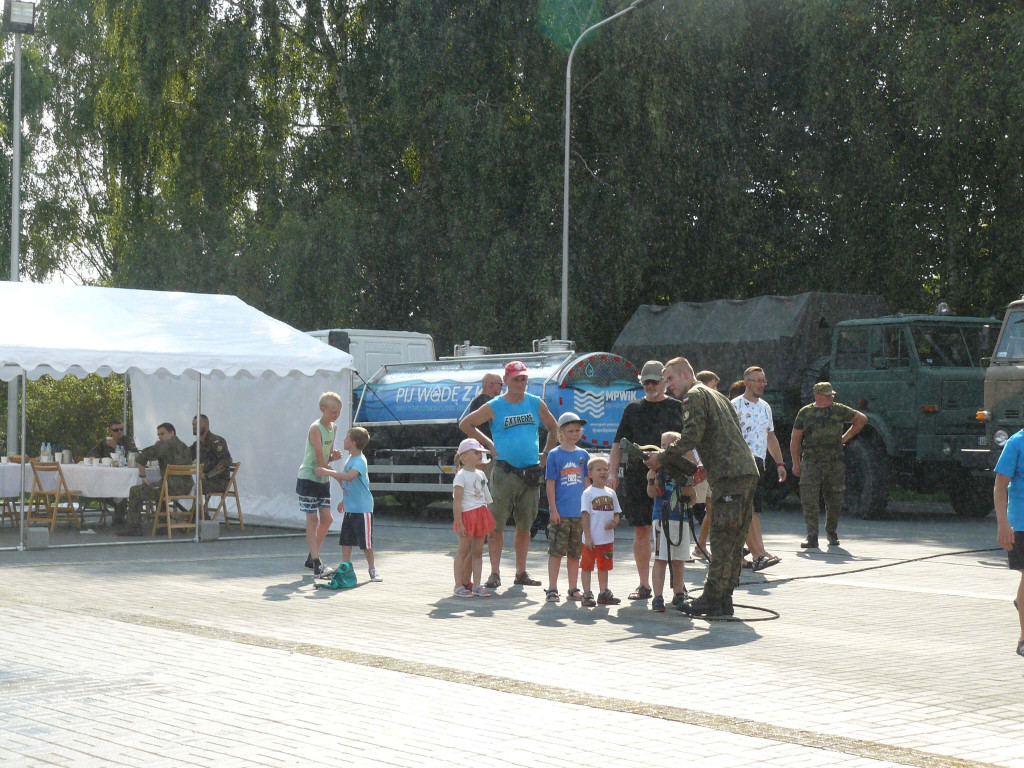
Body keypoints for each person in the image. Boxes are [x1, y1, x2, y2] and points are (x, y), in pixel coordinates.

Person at [645, 357, 759, 617]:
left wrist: (661, 457)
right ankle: (723, 598)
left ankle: (711, 598)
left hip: (730, 475)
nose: (668, 385)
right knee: (734, 537)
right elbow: (729, 434)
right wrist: (706, 466)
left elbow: (691, 437)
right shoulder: (716, 395)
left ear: (686, 374)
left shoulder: (694, 396)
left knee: (721, 538)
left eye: (671, 379)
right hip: (743, 471)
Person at [460, 360, 558, 590]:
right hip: (504, 472)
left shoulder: (535, 403)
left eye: (524, 379)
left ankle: (521, 572)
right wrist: (488, 444)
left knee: (525, 525)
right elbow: (466, 424)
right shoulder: (495, 405)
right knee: (496, 525)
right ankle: (495, 573)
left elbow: (554, 427)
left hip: (530, 473)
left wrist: (546, 454)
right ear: (506, 381)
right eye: (516, 379)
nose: (521, 383)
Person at [608, 360, 684, 602]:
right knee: (641, 529)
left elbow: (689, 442)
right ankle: (644, 585)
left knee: (673, 531)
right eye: (646, 382)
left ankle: (678, 588)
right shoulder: (633, 408)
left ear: (664, 382)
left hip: (670, 477)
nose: (650, 385)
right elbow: (618, 443)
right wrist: (612, 473)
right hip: (638, 476)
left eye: (655, 381)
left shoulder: (677, 407)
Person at [790, 382, 868, 549]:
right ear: (817, 395)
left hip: (834, 462)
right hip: (811, 462)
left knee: (835, 498)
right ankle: (812, 536)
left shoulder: (838, 409)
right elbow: (796, 438)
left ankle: (831, 531)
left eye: (831, 394)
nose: (831, 397)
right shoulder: (805, 413)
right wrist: (796, 463)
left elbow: (861, 419)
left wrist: (844, 438)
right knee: (809, 499)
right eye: (827, 395)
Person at [732, 366, 786, 572]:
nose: (762, 384)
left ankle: (760, 551)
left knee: (754, 510)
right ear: (746, 382)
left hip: (759, 463)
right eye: (757, 381)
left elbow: (770, 437)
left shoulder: (765, 407)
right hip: (741, 463)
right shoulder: (734, 406)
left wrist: (780, 463)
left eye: (764, 381)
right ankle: (756, 554)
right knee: (746, 510)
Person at [317, 427, 380, 581]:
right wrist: (344, 500)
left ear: (353, 442)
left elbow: (350, 477)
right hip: (350, 510)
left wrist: (329, 473)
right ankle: (346, 567)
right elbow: (345, 482)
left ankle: (372, 569)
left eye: (346, 438)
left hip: (362, 510)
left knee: (366, 543)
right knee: (346, 540)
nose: (343, 440)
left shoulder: (360, 461)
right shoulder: (350, 459)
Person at [647, 431, 696, 611]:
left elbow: (692, 498)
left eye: (671, 447)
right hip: (663, 517)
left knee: (679, 559)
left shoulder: (684, 471)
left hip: (680, 518)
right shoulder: (658, 470)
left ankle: (678, 594)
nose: (666, 450)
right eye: (664, 446)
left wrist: (685, 486)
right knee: (661, 558)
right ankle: (658, 596)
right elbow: (652, 494)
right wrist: (652, 479)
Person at [544, 412, 590, 603]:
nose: (574, 434)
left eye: (577, 430)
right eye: (570, 431)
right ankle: (552, 588)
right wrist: (554, 510)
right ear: (561, 432)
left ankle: (573, 588)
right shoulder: (555, 455)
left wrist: (590, 509)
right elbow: (550, 483)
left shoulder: (583, 455)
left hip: (579, 514)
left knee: (575, 553)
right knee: (556, 552)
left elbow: (587, 482)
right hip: (561, 513)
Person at [116, 422, 192, 536]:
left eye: (162, 434)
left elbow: (141, 457)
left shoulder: (164, 446)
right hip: (186, 487)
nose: (160, 437)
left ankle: (134, 528)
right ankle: (163, 526)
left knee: (135, 491)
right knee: (159, 487)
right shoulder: (185, 447)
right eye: (158, 435)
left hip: (170, 488)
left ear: (172, 433)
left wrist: (143, 476)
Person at [296, 392, 343, 576]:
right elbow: (318, 460)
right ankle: (316, 561)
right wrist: (339, 477)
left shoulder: (334, 427)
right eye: (333, 412)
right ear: (322, 410)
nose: (336, 415)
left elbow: (326, 457)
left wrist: (334, 457)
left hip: (323, 477)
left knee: (328, 519)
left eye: (338, 412)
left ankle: (311, 556)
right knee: (312, 519)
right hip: (309, 477)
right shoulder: (315, 428)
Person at [450, 438, 496, 597]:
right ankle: (458, 586)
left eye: (480, 452)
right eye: (476, 452)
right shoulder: (460, 476)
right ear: (465, 456)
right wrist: (459, 522)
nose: (480, 455)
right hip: (467, 516)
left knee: (478, 552)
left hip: (481, 515)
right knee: (462, 551)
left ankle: (476, 585)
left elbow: (486, 497)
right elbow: (457, 501)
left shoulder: (481, 474)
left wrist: (488, 521)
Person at [994, 428, 1024, 657]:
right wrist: (1003, 524)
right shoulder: (1016, 442)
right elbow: (1000, 486)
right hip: (1021, 522)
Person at [580, 456, 622, 607]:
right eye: (599, 470)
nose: (603, 472)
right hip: (591, 540)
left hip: (606, 539)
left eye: (605, 469)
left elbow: (617, 512)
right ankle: (587, 593)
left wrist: (615, 522)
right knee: (587, 566)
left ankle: (603, 592)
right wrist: (588, 537)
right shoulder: (588, 493)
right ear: (590, 474)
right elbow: (585, 516)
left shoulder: (611, 493)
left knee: (604, 566)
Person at [692, 371, 720, 560]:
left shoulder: (714, 406)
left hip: (710, 465)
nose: (716, 390)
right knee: (689, 505)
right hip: (697, 465)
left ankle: (700, 547)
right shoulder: (695, 405)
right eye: (713, 386)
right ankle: (678, 548)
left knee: (712, 510)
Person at [466, 372, 503, 482]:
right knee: (486, 485)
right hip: (486, 453)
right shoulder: (487, 404)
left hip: (482, 451)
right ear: (491, 385)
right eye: (500, 384)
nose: (502, 387)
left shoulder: (476, 402)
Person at [189, 415, 233, 495]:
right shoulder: (198, 445)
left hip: (219, 482)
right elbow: (186, 457)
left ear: (206, 424)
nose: (194, 427)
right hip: (204, 481)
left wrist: (207, 476)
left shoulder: (216, 441)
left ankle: (195, 507)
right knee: (182, 486)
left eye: (196, 424)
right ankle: (195, 507)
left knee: (191, 487)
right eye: (193, 424)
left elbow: (225, 462)